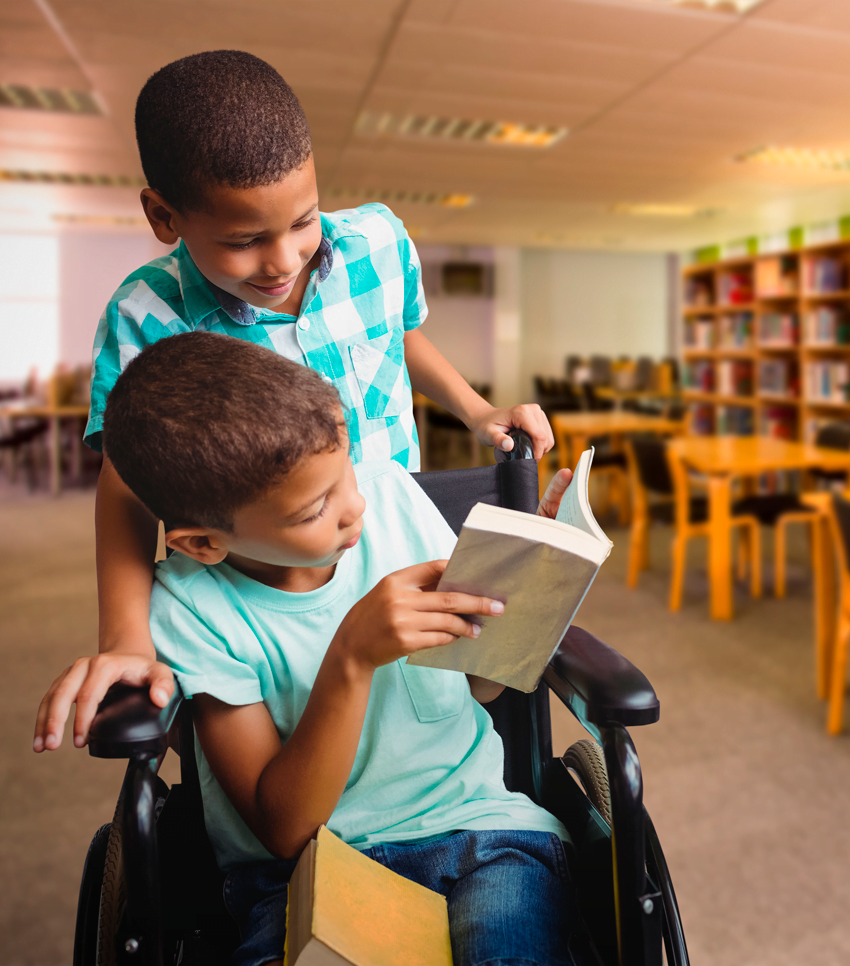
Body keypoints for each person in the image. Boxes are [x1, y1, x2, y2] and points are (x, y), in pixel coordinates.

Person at [34, 50, 552, 751]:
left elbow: (399, 336)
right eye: (245, 241)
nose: (283, 260)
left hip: (392, 533)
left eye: (303, 221)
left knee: (419, 712)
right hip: (259, 580)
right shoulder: (146, 314)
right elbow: (125, 485)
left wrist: (475, 408)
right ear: (163, 216)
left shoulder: (375, 239)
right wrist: (127, 638)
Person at [44, 332, 577, 966]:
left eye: (347, 469)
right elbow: (284, 828)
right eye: (314, 508)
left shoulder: (391, 496)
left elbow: (481, 687)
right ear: (204, 544)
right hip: (305, 869)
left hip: (483, 832)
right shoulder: (194, 610)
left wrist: (524, 591)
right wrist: (351, 656)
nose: (355, 507)